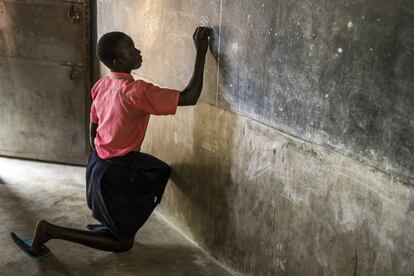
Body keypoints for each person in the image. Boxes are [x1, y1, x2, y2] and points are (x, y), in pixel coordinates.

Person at [10, 26, 210, 258]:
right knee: (123, 243)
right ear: (117, 60)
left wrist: (99, 152)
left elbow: (93, 125)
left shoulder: (103, 84)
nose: (137, 52)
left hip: (97, 165)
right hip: (114, 173)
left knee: (158, 170)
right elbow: (190, 96)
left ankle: (111, 220)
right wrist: (201, 52)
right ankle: (50, 231)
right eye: (130, 50)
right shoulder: (136, 91)